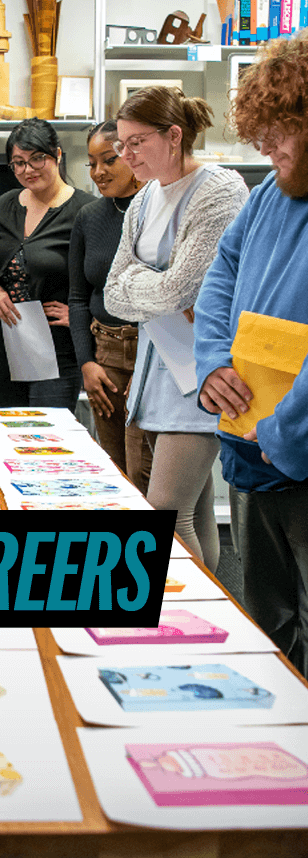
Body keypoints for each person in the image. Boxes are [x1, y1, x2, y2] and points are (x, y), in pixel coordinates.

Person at [195, 33, 308, 678]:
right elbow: (220, 273)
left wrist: (285, 432)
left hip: (292, 449)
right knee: (265, 631)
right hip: (251, 451)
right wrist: (212, 359)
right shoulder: (267, 194)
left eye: (278, 131)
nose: (263, 147)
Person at [104, 86, 249, 572]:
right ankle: (213, 615)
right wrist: (161, 290)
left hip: (204, 371)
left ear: (173, 135)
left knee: (165, 509)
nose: (126, 155)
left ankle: (190, 615)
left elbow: (178, 293)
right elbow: (112, 293)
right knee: (195, 510)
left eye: (135, 142)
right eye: (121, 145)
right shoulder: (145, 198)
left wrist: (152, 289)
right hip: (159, 368)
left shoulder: (220, 191)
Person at [0, 118, 93, 412]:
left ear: (56, 155)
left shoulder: (84, 210)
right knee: (12, 429)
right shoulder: (5, 204)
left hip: (58, 344)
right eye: (18, 163)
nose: (27, 170)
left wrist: (83, 315)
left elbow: (104, 277)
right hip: (10, 337)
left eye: (36, 158)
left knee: (48, 437)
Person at [68, 120, 152, 493]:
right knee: (114, 476)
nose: (98, 172)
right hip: (105, 357)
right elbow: (78, 297)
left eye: (108, 160)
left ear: (132, 155)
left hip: (152, 351)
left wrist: (151, 365)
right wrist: (87, 363)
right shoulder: (88, 217)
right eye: (91, 163)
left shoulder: (157, 209)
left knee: (146, 475)